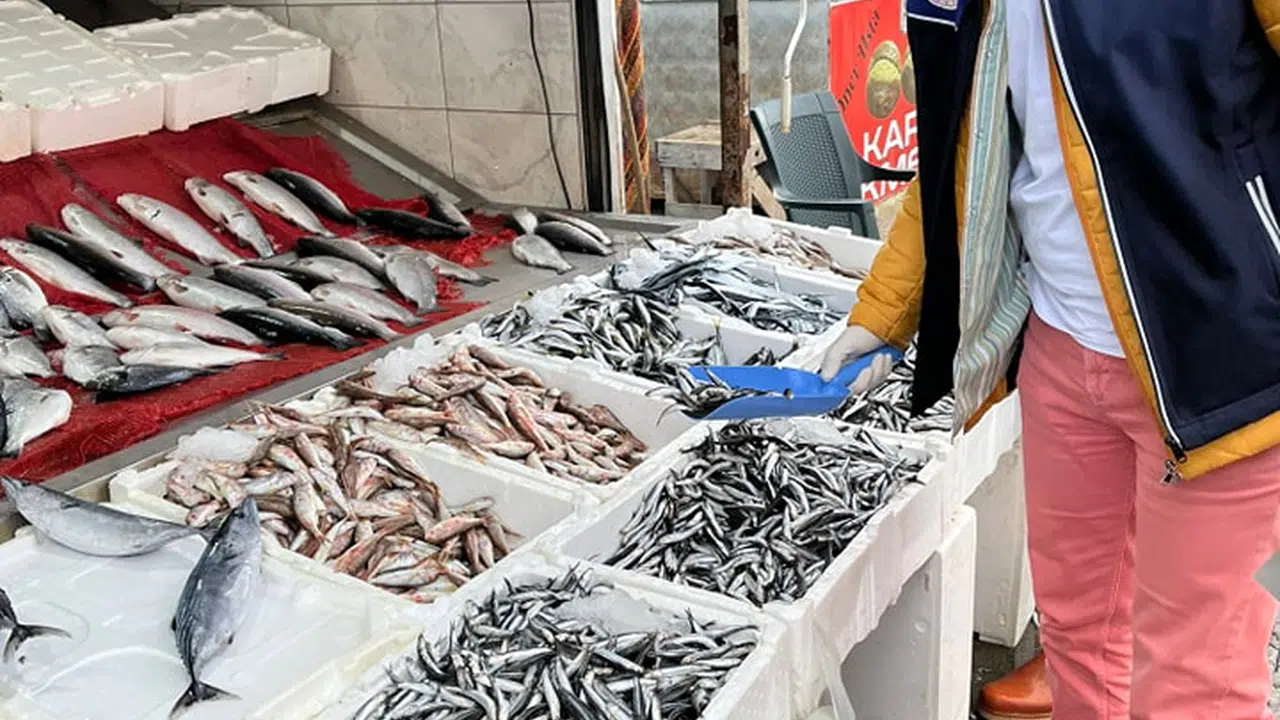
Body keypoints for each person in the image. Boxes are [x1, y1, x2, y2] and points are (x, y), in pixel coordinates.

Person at [819, 0, 1280, 717]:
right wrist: (884, 311)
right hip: (1060, 353)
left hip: (1221, 367)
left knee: (1192, 682)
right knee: (1077, 636)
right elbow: (959, 153)